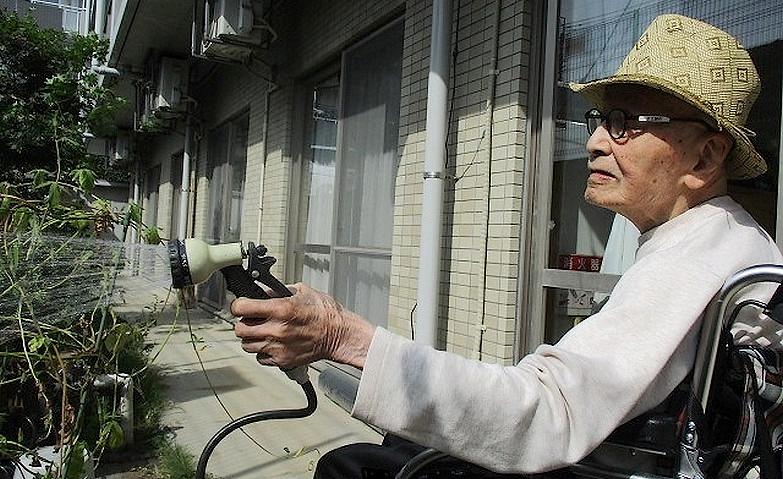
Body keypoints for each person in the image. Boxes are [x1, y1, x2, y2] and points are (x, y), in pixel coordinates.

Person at [231, 14, 783, 477]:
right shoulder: (714, 239)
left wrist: (340, 336)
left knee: (354, 467)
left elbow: (549, 415)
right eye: (600, 119)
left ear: (705, 157)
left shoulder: (696, 258)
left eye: (626, 122)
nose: (594, 141)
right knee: (399, 446)